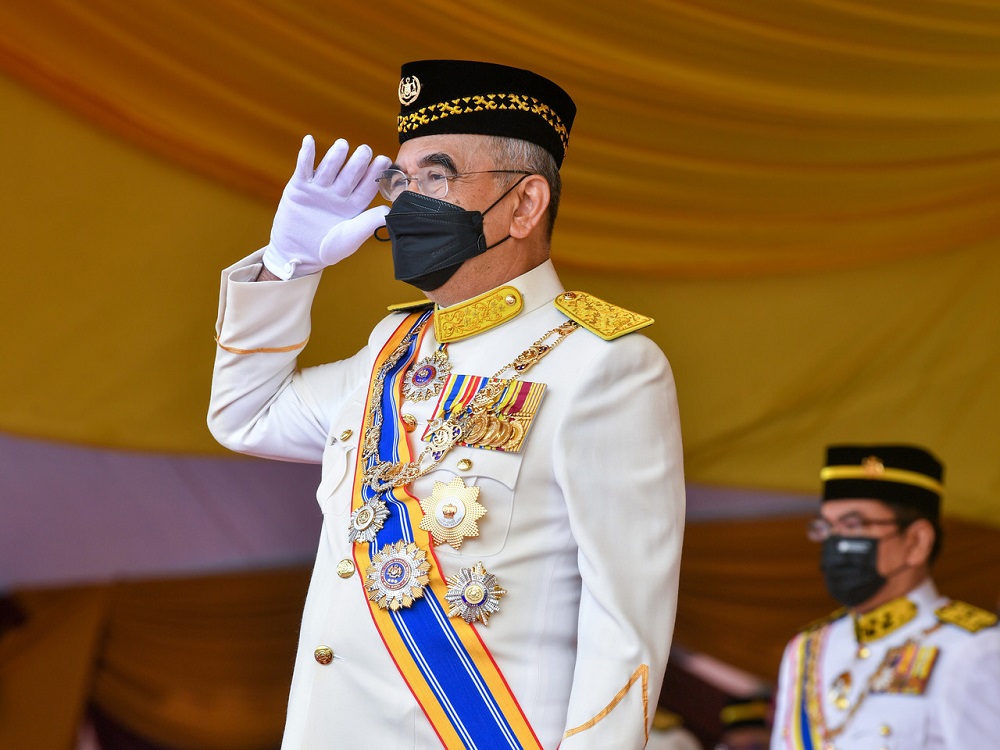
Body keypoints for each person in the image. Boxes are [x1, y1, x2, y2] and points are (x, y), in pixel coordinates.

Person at [208, 60, 685, 749]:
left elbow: (624, 625)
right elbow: (243, 416)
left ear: (525, 205)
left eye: (435, 177)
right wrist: (289, 267)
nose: (406, 203)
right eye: (400, 182)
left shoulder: (606, 366)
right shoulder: (389, 350)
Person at [771, 444, 1000, 749]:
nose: (836, 542)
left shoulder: (973, 650)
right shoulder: (806, 650)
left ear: (917, 542)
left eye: (853, 526)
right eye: (826, 527)